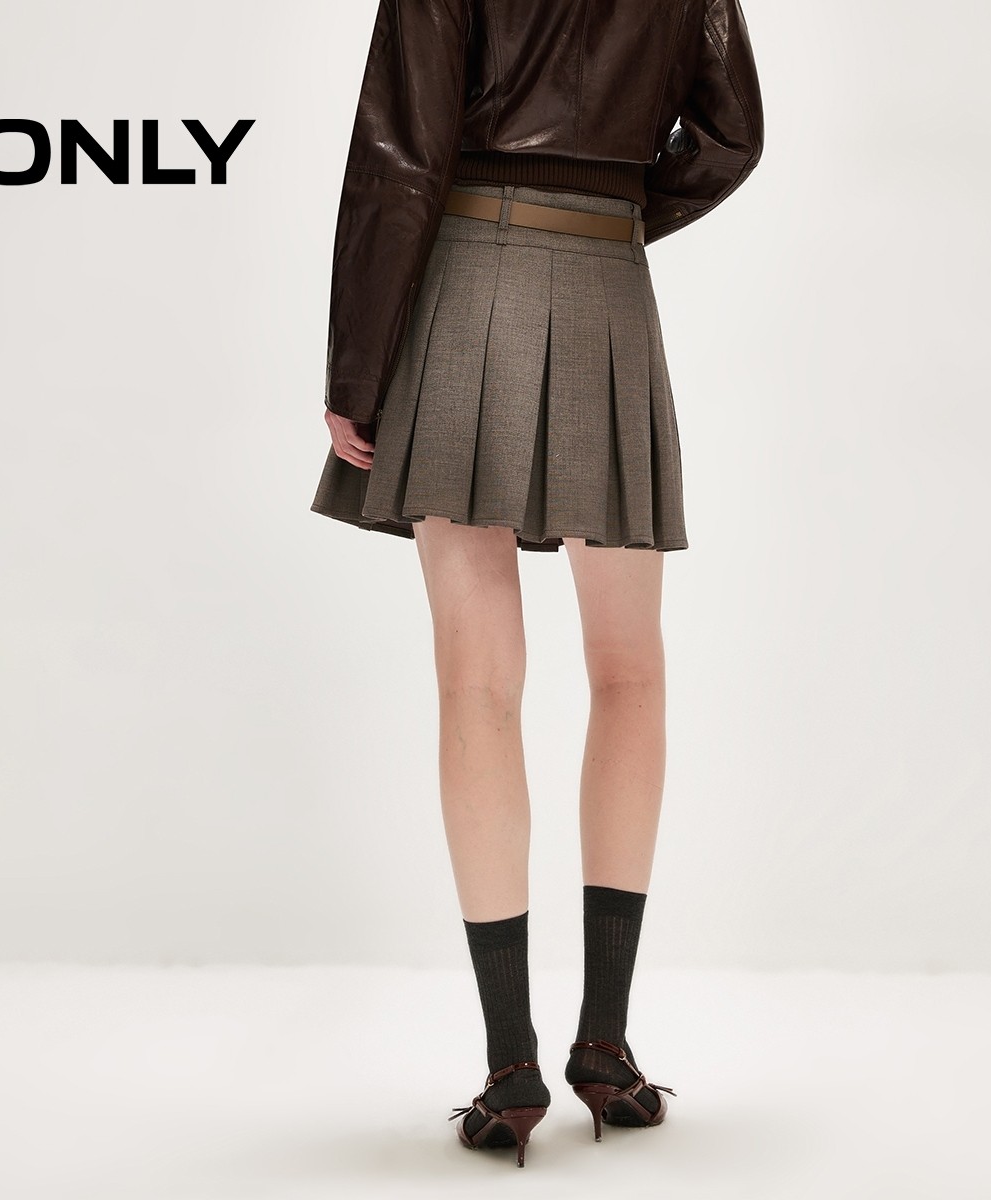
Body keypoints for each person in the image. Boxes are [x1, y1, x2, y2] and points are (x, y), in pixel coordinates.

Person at [310, 0, 763, 1167]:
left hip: (464, 273)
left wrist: (357, 365)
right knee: (631, 673)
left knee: (478, 684)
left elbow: (400, 151)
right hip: (607, 282)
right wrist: (612, 208)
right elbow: (730, 136)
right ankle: (605, 1046)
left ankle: (510, 1062)